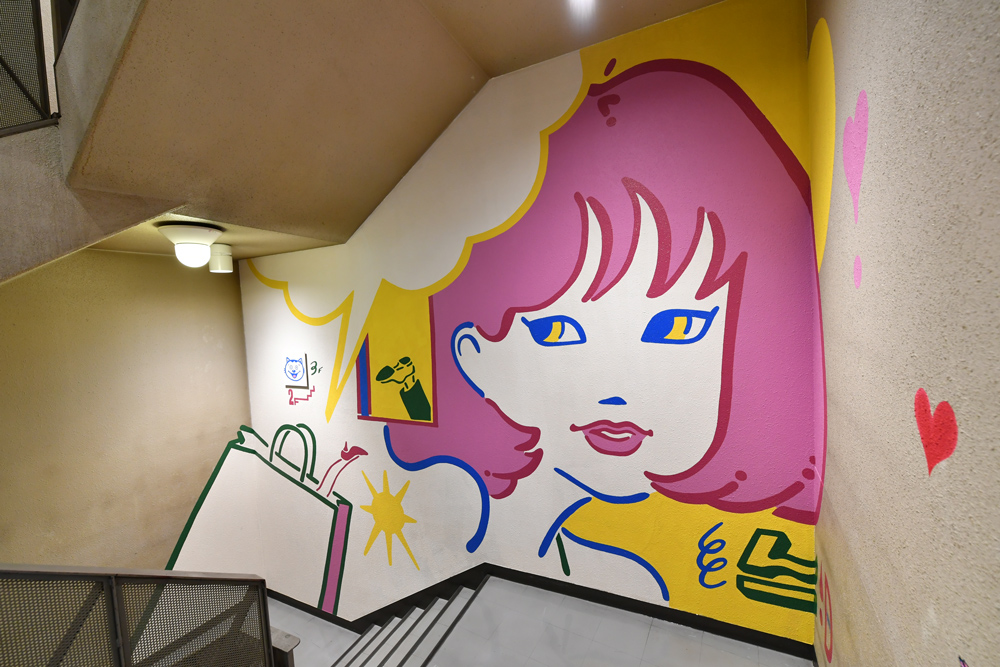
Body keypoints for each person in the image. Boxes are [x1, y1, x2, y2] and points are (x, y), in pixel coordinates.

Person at [381, 59, 824, 595]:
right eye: (557, 331)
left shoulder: (629, 579)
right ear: (476, 357)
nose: (617, 392)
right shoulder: (427, 493)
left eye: (677, 326)